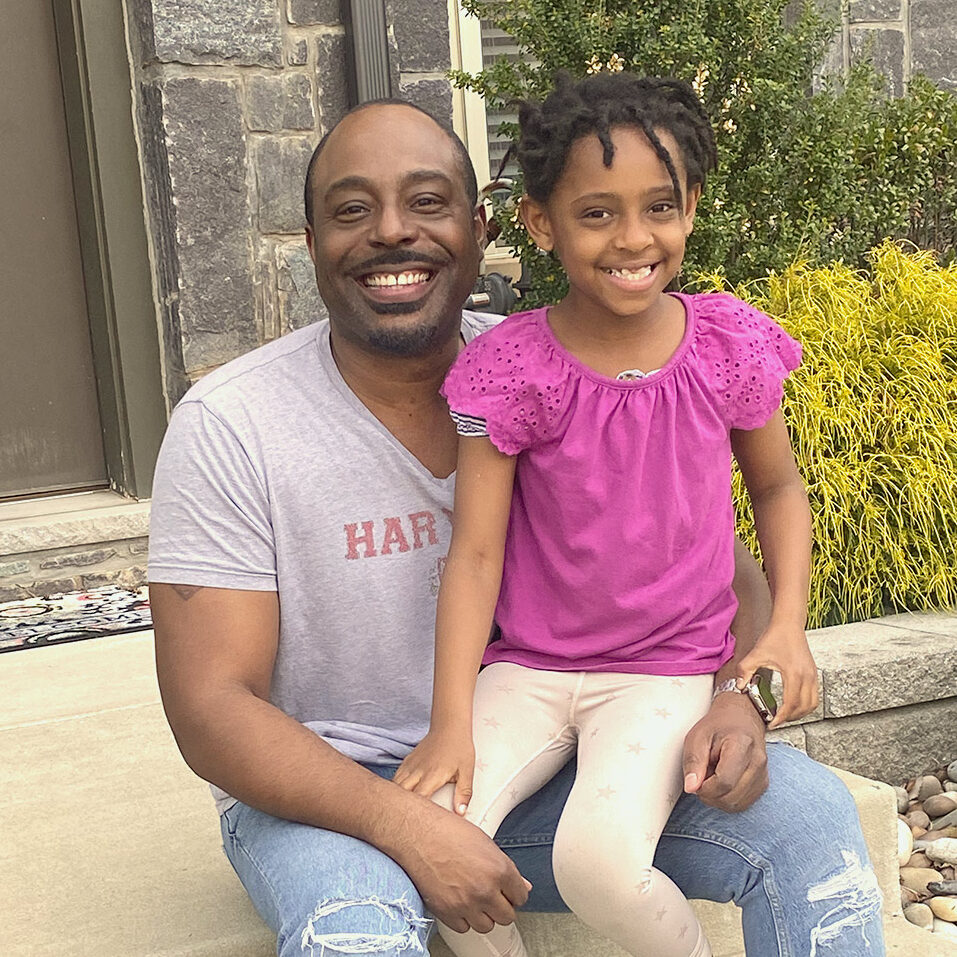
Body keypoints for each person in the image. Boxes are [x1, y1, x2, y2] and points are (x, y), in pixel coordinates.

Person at [147, 96, 886, 957]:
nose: (391, 232)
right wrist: (403, 825)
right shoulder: (234, 422)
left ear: (482, 225)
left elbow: (716, 554)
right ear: (310, 243)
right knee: (354, 930)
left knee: (810, 825)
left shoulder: (563, 365)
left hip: (581, 739)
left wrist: (740, 697)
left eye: (426, 202)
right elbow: (209, 707)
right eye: (351, 210)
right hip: (328, 794)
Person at [392, 72, 818, 957]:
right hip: (529, 664)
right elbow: (473, 555)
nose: (633, 238)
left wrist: (783, 631)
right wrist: (449, 720)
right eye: (597, 214)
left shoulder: (724, 346)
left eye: (658, 206)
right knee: (431, 831)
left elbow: (778, 489)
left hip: (662, 671)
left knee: (596, 859)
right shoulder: (514, 368)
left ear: (690, 207)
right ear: (542, 223)